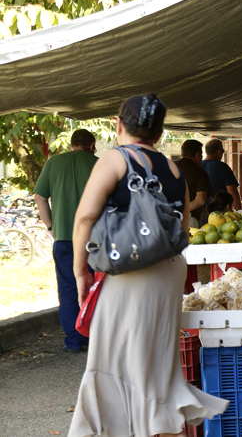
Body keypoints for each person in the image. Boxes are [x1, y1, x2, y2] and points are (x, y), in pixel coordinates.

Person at [69, 95, 227, 436]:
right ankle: (158, 427)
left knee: (113, 361)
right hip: (167, 273)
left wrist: (80, 271)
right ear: (158, 131)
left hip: (129, 274)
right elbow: (183, 226)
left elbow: (84, 217)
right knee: (155, 366)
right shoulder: (173, 168)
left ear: (118, 124)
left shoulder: (115, 159)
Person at [33, 129, 98, 353]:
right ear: (91, 144)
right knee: (95, 287)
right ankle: (96, 338)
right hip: (94, 240)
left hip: (63, 239)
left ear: (72, 144)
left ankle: (73, 340)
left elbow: (40, 196)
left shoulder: (54, 164)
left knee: (68, 288)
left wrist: (50, 225)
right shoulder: (97, 164)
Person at [175, 139, 211, 227]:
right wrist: (183, 210)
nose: (202, 157)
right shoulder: (199, 172)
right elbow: (200, 200)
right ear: (197, 154)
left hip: (169, 217)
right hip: (189, 220)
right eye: (201, 154)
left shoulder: (170, 167)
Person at [202, 138, 242, 210]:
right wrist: (239, 212)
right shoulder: (222, 167)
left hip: (200, 211)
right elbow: (232, 191)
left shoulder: (197, 166)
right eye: (223, 151)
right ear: (218, 151)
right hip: (219, 212)